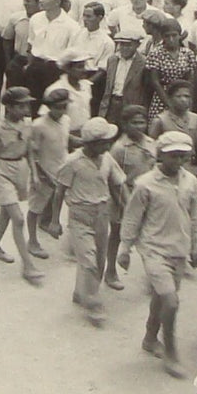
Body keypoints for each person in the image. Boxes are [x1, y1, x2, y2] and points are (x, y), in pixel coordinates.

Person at [119, 131, 197, 378]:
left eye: (183, 156)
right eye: (173, 156)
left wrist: (194, 248)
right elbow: (132, 217)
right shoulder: (145, 184)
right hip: (154, 249)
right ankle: (171, 352)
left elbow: (194, 217)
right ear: (161, 156)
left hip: (179, 249)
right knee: (171, 300)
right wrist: (125, 248)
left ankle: (149, 337)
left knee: (161, 297)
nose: (178, 161)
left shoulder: (191, 182)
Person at [48, 115, 125, 325]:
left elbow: (117, 185)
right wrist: (54, 220)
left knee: (99, 260)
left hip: (102, 214)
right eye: (106, 141)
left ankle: (81, 291)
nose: (110, 144)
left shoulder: (107, 159)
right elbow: (59, 190)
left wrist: (124, 208)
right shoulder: (72, 162)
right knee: (88, 260)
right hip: (80, 215)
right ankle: (93, 304)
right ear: (93, 143)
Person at [0, 86, 43, 285]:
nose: (26, 109)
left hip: (20, 168)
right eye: (22, 105)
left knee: (6, 212)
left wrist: (34, 174)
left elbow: (29, 151)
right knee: (18, 217)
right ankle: (28, 266)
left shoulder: (27, 125)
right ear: (10, 108)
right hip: (0, 170)